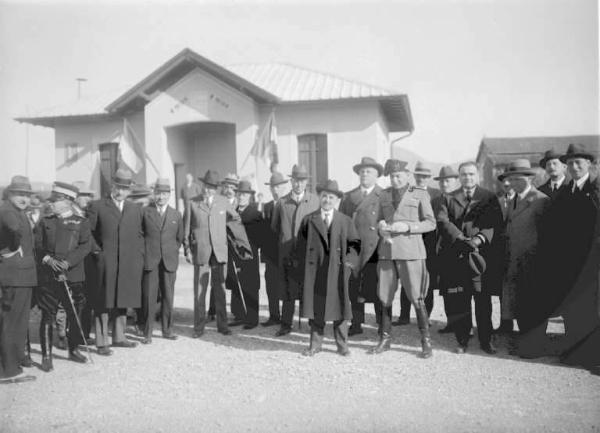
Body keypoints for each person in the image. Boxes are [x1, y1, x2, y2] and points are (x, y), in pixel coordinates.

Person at [523, 143, 599, 368]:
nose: (574, 167)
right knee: (570, 307)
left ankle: (591, 354)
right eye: (571, 163)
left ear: (589, 164)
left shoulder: (595, 189)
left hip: (591, 260)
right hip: (569, 261)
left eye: (579, 162)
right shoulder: (567, 191)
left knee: (591, 307)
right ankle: (571, 348)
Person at [368, 159, 436, 358]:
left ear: (407, 175)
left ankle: (426, 341)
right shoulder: (384, 195)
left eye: (398, 175)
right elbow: (378, 219)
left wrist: (407, 227)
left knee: (417, 296)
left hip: (411, 252)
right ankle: (385, 339)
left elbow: (431, 223)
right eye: (391, 176)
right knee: (385, 296)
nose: (395, 179)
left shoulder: (420, 194)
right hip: (387, 252)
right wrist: (381, 226)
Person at [436, 161, 503, 355]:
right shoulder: (448, 198)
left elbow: (494, 224)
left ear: (478, 176)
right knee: (459, 300)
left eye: (472, 174)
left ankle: (486, 340)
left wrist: (479, 239)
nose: (468, 178)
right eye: (464, 174)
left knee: (483, 300)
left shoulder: (488, 197)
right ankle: (462, 339)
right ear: (459, 177)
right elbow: (443, 221)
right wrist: (461, 239)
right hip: (456, 256)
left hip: (479, 257)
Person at [34, 182, 91, 371]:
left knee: (75, 314)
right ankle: (46, 356)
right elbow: (37, 246)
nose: (52, 204)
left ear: (67, 201)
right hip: (49, 276)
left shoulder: (81, 222)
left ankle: (73, 349)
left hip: (72, 275)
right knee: (47, 314)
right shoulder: (45, 221)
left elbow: (85, 246)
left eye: (56, 201)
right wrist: (48, 259)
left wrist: (68, 263)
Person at [299, 180, 360, 356]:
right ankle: (315, 345)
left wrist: (348, 264)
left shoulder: (345, 221)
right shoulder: (309, 220)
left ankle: (342, 345)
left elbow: (354, 245)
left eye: (331, 197)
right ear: (320, 197)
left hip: (337, 271)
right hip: (316, 272)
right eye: (324, 196)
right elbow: (300, 247)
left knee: (340, 308)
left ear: (337, 200)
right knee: (316, 308)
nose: (327, 200)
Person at [87, 168, 145, 355]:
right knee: (103, 302)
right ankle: (102, 341)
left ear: (129, 191)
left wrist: (137, 257)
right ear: (112, 186)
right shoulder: (97, 206)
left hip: (127, 264)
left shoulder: (135, 209)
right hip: (105, 263)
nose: (120, 192)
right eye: (117, 187)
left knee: (123, 299)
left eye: (124, 189)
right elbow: (88, 234)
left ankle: (119, 337)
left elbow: (140, 235)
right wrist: (98, 253)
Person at [184, 170, 246, 338]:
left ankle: (222, 325)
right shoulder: (192, 203)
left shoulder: (223, 202)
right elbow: (186, 229)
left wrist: (229, 238)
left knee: (220, 289)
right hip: (201, 252)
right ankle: (198, 328)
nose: (207, 190)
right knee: (200, 292)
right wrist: (188, 249)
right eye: (206, 186)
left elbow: (236, 219)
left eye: (211, 187)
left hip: (219, 253)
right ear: (202, 185)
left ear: (216, 189)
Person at [496, 160, 549, 355]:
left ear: (529, 178)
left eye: (517, 179)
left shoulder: (540, 200)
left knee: (532, 304)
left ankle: (535, 346)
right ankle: (525, 342)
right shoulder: (513, 200)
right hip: (513, 259)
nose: (512, 183)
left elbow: (548, 235)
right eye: (510, 179)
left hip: (532, 261)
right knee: (518, 303)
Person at [271, 164, 320, 337]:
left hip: (307, 254)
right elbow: (275, 227)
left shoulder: (315, 201)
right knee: (288, 291)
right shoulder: (282, 202)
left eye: (302, 181)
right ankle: (286, 324)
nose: (298, 184)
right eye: (295, 181)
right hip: (287, 254)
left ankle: (314, 324)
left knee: (310, 289)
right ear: (291, 181)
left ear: (306, 182)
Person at [338, 156, 384, 336]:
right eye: (362, 171)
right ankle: (356, 324)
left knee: (378, 288)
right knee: (354, 287)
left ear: (376, 175)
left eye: (369, 171)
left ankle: (382, 325)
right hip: (354, 248)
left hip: (376, 249)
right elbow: (342, 222)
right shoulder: (349, 197)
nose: (364, 174)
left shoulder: (384, 195)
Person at [0, 176, 37, 384]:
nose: (24, 198)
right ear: (9, 194)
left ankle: (8, 365)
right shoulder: (7, 210)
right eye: (20, 194)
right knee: (13, 323)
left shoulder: (14, 210)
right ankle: (9, 371)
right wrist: (10, 250)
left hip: (19, 273)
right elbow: (13, 229)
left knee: (12, 322)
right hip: (16, 274)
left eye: (27, 195)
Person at [394, 161, 440, 327]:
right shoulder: (408, 191)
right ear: (414, 176)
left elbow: (435, 220)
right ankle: (404, 316)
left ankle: (425, 318)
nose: (422, 179)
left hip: (429, 243)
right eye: (419, 175)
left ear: (429, 178)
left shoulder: (437, 194)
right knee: (407, 277)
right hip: (409, 242)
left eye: (426, 176)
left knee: (425, 281)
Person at [139, 179, 184, 344]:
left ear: (169, 195)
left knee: (168, 296)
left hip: (169, 261)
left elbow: (179, 238)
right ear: (154, 194)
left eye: (164, 194)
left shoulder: (176, 215)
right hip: (150, 261)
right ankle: (147, 333)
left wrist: (169, 251)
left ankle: (167, 330)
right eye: (158, 193)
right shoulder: (145, 212)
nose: (161, 197)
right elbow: (140, 235)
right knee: (149, 297)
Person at [230, 180, 263, 329]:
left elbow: (260, 237)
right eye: (239, 194)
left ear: (249, 196)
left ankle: (252, 318)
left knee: (250, 285)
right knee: (236, 284)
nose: (242, 196)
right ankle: (239, 315)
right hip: (234, 255)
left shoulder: (255, 214)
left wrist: (247, 247)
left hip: (249, 255)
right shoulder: (232, 212)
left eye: (244, 194)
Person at [432, 166, 460, 334]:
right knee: (446, 289)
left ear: (455, 181)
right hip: (439, 250)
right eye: (441, 181)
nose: (444, 184)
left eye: (448, 180)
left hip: (456, 250)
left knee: (459, 290)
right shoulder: (435, 201)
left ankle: (463, 326)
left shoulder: (460, 199)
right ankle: (451, 322)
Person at [260, 172, 288, 327]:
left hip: (285, 252)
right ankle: (274, 315)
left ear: (284, 187)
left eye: (278, 186)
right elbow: (264, 232)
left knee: (285, 285)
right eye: (273, 187)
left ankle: (286, 317)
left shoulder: (289, 204)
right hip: (271, 254)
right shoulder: (267, 206)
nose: (275, 189)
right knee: (271, 285)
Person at [72, 181, 97, 344]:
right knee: (75, 301)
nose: (88, 199)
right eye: (85, 195)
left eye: (90, 195)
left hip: (86, 262)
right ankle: (72, 335)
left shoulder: (85, 213)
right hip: (74, 262)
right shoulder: (73, 215)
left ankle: (83, 334)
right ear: (76, 197)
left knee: (85, 300)